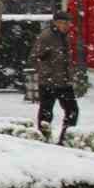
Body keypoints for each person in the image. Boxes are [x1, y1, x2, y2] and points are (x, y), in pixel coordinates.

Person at [33, 11, 79, 143]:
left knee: (72, 110)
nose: (66, 26)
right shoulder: (47, 36)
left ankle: (65, 138)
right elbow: (36, 57)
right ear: (55, 23)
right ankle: (44, 138)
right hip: (49, 81)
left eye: (67, 23)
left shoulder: (63, 36)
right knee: (47, 111)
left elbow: (65, 58)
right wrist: (47, 71)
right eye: (63, 23)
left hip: (63, 81)